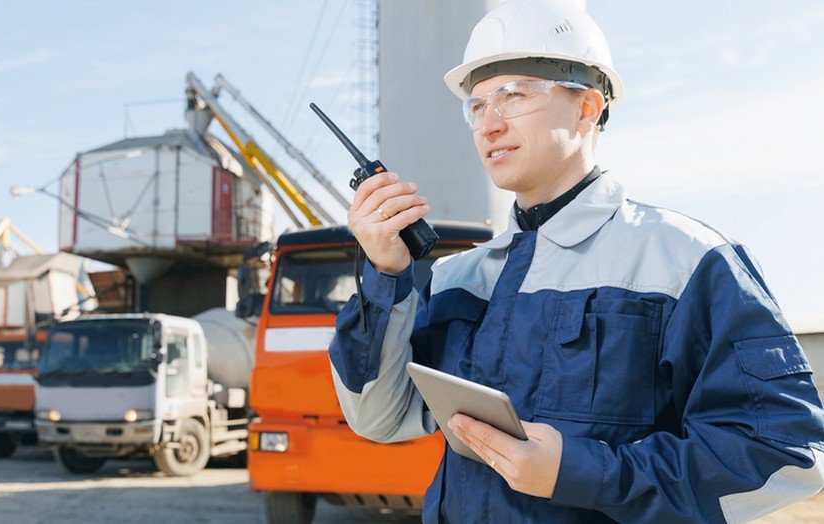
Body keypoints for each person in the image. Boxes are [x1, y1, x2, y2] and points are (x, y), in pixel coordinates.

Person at [328, 0, 824, 522]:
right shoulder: (458, 279)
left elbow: (785, 455)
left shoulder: (686, 261)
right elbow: (378, 418)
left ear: (587, 107)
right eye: (476, 106)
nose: (488, 124)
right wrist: (384, 274)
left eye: (512, 96)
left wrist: (582, 473)